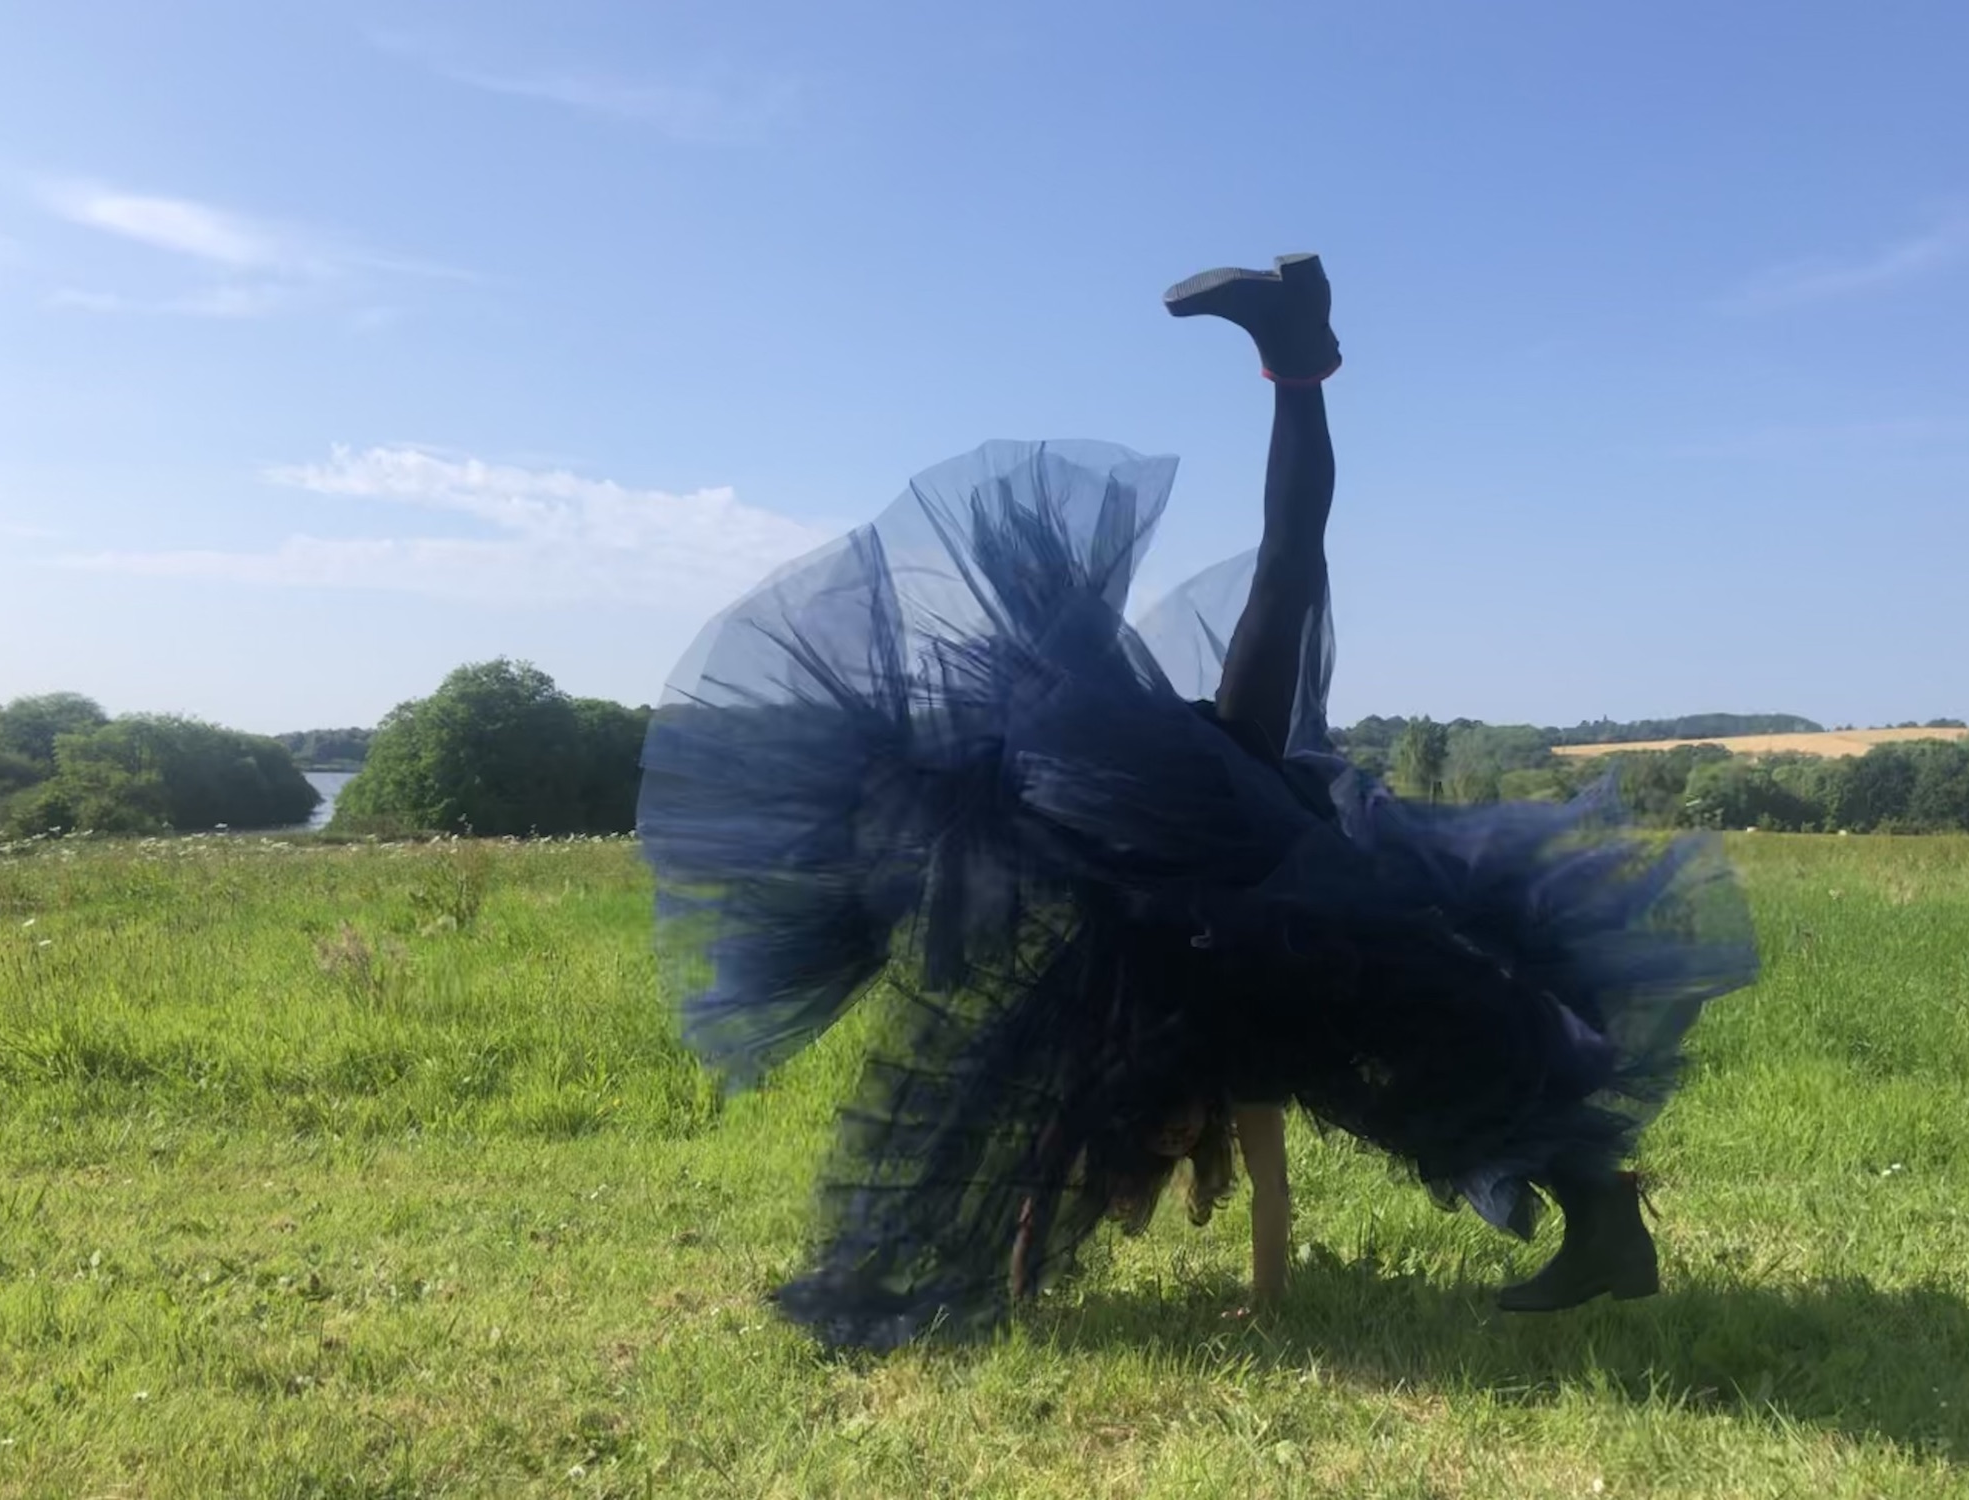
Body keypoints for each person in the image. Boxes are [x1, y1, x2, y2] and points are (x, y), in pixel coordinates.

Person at [639, 254, 1757, 1351]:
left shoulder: (1164, 858)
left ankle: (1296, 353)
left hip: (1226, 857)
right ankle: (1295, 354)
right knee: (1409, 1033)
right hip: (1233, 875)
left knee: (1288, 605)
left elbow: (1054, 1096)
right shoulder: (1181, 874)